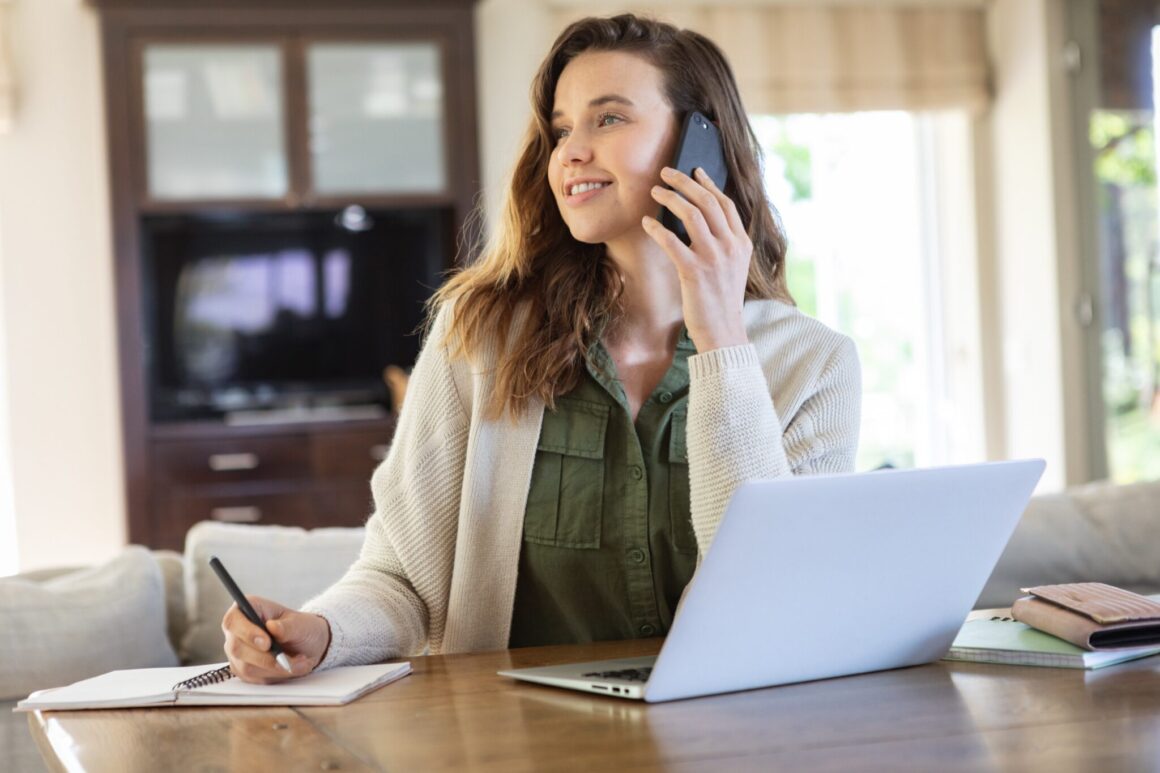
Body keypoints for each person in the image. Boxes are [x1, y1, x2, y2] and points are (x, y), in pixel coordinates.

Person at [222, 13, 861, 683]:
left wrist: (721, 338)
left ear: (702, 146)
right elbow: (401, 576)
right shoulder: (480, 335)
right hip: (512, 739)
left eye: (608, 119)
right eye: (561, 129)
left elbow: (771, 599)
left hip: (723, 733)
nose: (570, 152)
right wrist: (322, 632)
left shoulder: (814, 365)